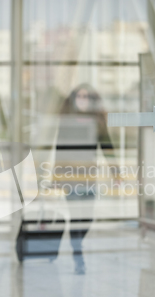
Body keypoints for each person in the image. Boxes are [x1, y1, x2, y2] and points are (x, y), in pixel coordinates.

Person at [55, 83, 116, 275]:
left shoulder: (96, 121)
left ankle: (77, 243)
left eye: (87, 97)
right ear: (73, 99)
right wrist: (57, 177)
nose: (83, 100)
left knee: (88, 217)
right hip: (71, 177)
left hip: (89, 176)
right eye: (79, 96)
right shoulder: (66, 121)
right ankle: (78, 254)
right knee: (76, 217)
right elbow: (59, 148)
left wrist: (116, 171)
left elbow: (106, 146)